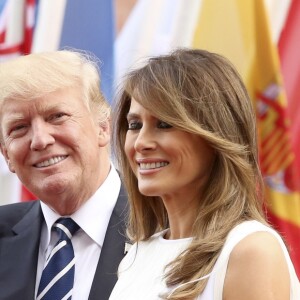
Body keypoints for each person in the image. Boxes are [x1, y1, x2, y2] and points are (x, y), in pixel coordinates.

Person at [109, 48, 300, 300]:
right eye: (134, 125)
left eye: (164, 124)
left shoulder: (250, 250)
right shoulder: (136, 256)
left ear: (216, 135)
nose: (141, 142)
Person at [0, 50, 128, 300]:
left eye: (57, 117)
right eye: (19, 127)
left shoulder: (168, 227)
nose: (40, 140)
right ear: (6, 154)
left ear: (103, 126)